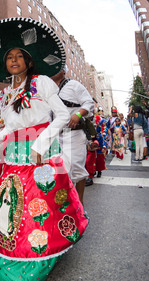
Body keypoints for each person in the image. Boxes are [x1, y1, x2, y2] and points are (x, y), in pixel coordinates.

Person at [0, 17, 89, 281]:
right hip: (14, 155)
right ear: (5, 64)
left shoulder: (43, 82)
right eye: (9, 57)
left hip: (42, 151)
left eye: (19, 56)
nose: (14, 60)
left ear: (29, 61)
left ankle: (42, 255)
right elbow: (10, 127)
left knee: (42, 206)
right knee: (12, 205)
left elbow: (60, 117)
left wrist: (40, 145)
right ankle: (10, 257)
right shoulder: (5, 93)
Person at [51, 66, 94, 205]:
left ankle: (79, 204)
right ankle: (66, 204)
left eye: (56, 68)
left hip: (74, 135)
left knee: (76, 167)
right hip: (56, 136)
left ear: (63, 71)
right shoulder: (48, 90)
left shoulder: (74, 85)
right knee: (60, 170)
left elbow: (89, 103)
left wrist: (78, 114)